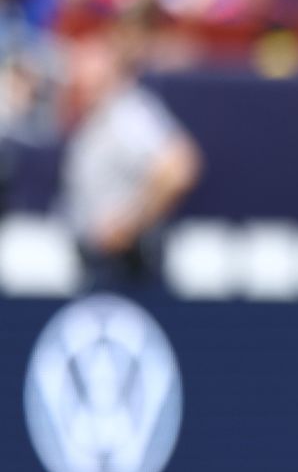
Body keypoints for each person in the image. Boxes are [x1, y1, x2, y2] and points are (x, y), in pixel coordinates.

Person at [60, 28, 202, 290]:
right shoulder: (95, 115)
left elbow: (179, 167)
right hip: (98, 262)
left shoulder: (128, 113)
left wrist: (130, 222)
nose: (79, 72)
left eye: (89, 63)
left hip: (127, 266)